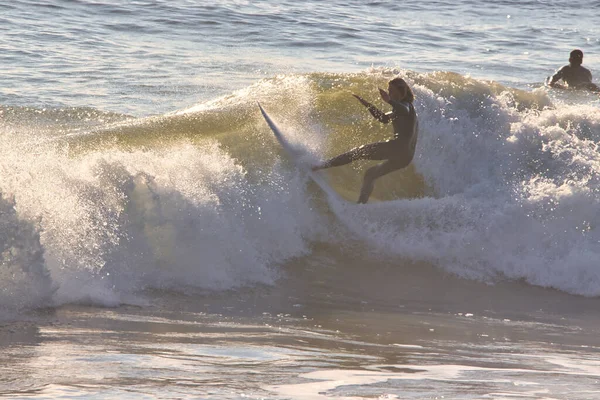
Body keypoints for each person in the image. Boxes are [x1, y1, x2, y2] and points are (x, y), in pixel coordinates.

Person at [312, 78, 419, 204]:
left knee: (358, 152)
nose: (388, 93)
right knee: (370, 174)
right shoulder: (403, 110)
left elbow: (403, 109)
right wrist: (367, 104)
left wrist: (389, 101)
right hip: (406, 157)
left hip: (397, 148)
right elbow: (384, 119)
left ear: (400, 91)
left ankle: (320, 166)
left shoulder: (407, 107)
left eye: (391, 91)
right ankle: (361, 205)